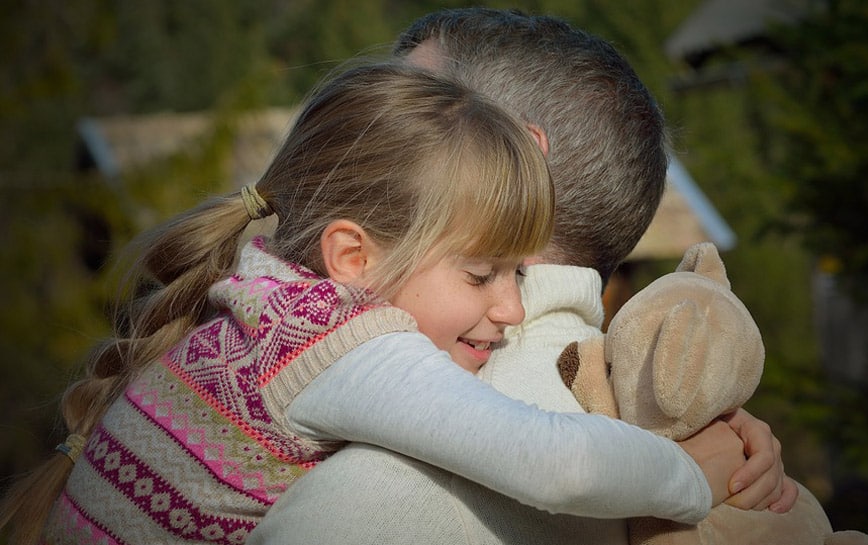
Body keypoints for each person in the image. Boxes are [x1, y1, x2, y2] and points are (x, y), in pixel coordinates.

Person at [0, 62, 746, 545]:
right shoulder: (342, 346)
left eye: (519, 276)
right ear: (354, 258)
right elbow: (557, 463)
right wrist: (690, 476)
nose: (514, 309)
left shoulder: (260, 294)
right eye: (484, 274)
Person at [249, 8, 797, 545]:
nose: (351, 144)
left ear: (518, 157)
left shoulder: (368, 500)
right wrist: (694, 444)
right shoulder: (691, 441)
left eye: (409, 113)